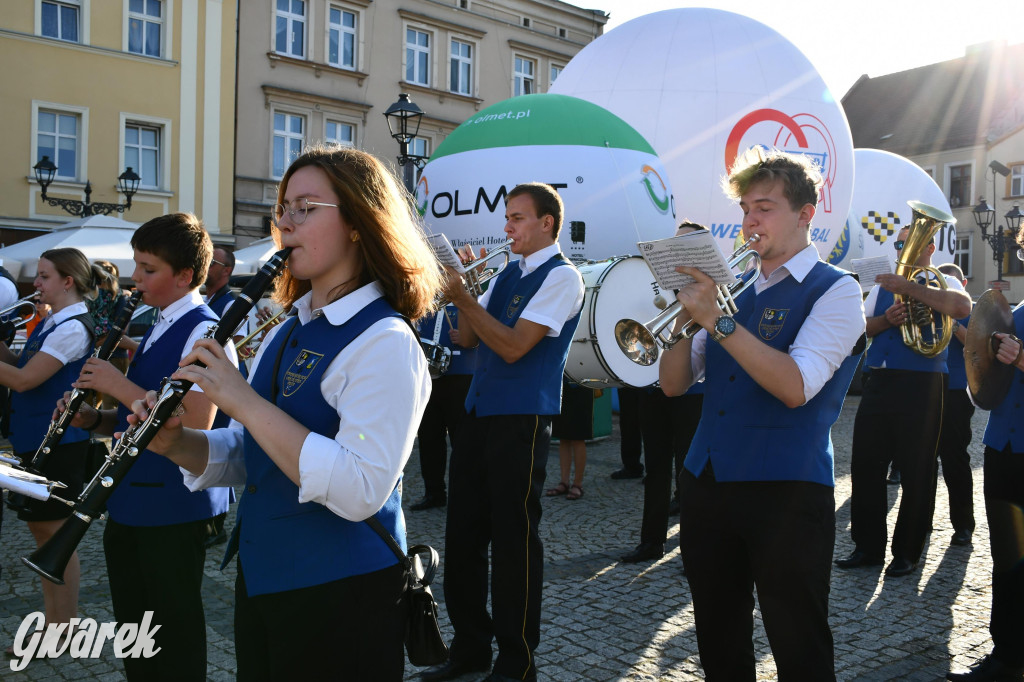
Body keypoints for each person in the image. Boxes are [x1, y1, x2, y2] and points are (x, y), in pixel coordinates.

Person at [124, 146, 440, 680]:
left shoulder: (385, 341)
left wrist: (240, 399)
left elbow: (361, 488)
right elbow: (259, 452)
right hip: (267, 578)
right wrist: (177, 443)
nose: (285, 224)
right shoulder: (291, 327)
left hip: (343, 593)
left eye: (305, 208)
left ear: (360, 223)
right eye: (283, 209)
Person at [659, 148, 866, 680]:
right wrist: (683, 312)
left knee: (798, 645)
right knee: (719, 640)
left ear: (805, 214)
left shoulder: (837, 290)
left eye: (766, 207)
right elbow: (673, 383)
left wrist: (718, 322)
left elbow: (796, 386)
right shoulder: (737, 289)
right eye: (747, 207)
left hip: (787, 491)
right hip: (708, 482)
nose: (751, 220)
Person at [63, 213, 237, 680]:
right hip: (131, 498)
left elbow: (197, 423)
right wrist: (95, 418)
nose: (135, 279)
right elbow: (137, 415)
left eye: (148, 269)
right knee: (136, 629)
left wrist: (116, 385)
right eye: (136, 266)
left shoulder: (206, 331)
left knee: (172, 631)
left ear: (184, 276)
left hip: (174, 506)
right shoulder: (159, 322)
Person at [423, 182, 584, 682]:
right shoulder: (507, 272)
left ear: (546, 224)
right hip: (479, 413)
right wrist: (464, 293)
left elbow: (515, 347)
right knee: (463, 537)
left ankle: (518, 661)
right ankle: (471, 648)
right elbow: (467, 338)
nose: (507, 228)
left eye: (516, 218)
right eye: (507, 218)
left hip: (522, 419)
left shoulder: (563, 278)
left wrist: (465, 300)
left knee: (514, 543)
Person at [836, 225, 971, 577]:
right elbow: (859, 326)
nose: (900, 248)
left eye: (907, 241)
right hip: (880, 378)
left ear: (928, 246)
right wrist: (885, 320)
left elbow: (960, 307)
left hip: (925, 382)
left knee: (917, 469)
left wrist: (908, 288)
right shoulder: (883, 284)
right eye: (898, 242)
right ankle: (867, 547)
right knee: (866, 465)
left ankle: (907, 552)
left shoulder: (944, 280)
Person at [0, 248, 98, 651]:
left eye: (42, 277)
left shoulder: (72, 327)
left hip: (58, 445)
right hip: (37, 440)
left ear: (67, 281)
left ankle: (62, 629)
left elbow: (23, 380)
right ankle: (56, 626)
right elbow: (21, 368)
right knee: (43, 536)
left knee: (55, 539)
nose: (35, 285)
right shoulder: (54, 322)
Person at [946, 275, 1024, 681]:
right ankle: (1007, 657)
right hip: (1002, 449)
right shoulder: (1015, 315)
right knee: (1006, 558)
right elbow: (985, 382)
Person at [411, 304, 475, 511]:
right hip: (428, 378)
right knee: (429, 438)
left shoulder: (473, 299)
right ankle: (434, 492)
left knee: (462, 440)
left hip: (460, 376)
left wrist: (469, 337)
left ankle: (465, 494)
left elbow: (486, 335)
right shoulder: (427, 301)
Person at [935, 262, 975, 547]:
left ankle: (963, 524)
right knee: (922, 460)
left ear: (963, 286)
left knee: (954, 458)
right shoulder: (931, 305)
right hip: (928, 386)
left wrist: (953, 319)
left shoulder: (972, 311)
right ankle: (920, 524)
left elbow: (976, 344)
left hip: (957, 391)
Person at [545, 378, 594, 501]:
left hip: (582, 385)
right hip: (562, 386)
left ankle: (578, 484)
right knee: (563, 437)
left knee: (578, 438)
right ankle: (564, 482)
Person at [611, 386, 644, 479]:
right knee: (628, 421)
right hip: (627, 381)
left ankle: (655, 471)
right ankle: (632, 466)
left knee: (631, 420)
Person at [204, 247, 236, 317]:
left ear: (226, 271)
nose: (204, 266)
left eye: (210, 262)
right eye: (204, 261)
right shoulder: (203, 300)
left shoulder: (232, 305)